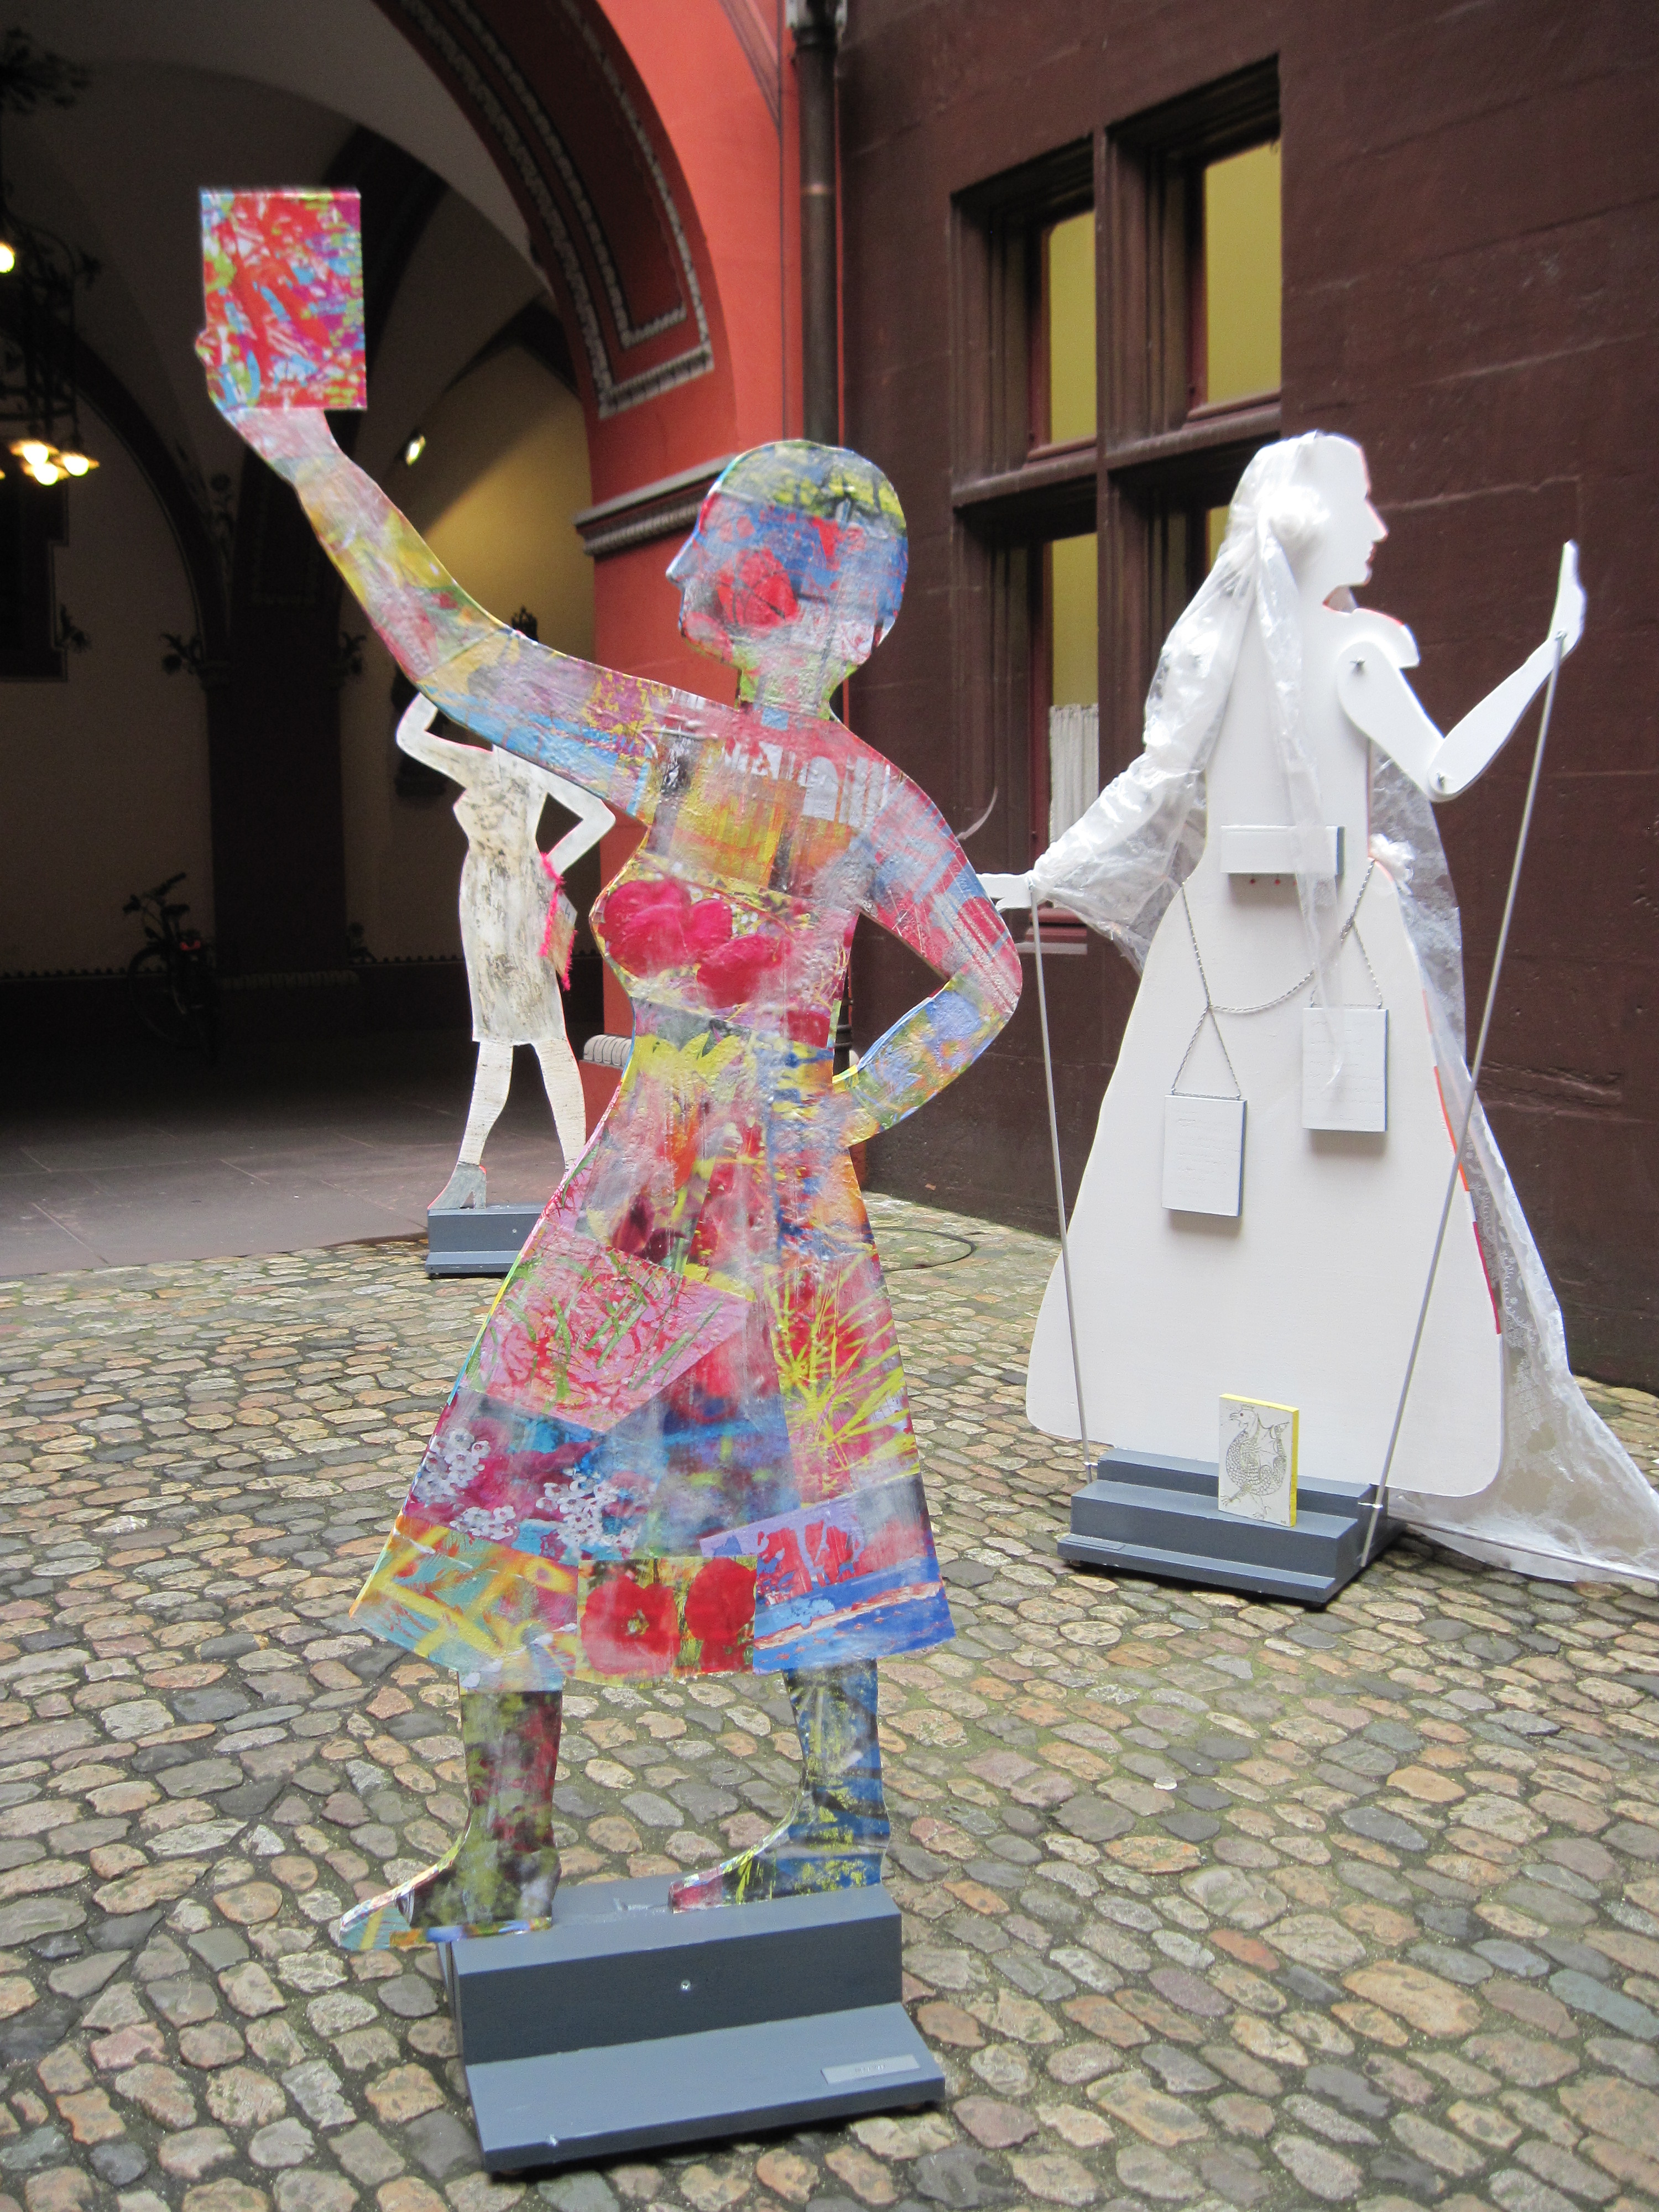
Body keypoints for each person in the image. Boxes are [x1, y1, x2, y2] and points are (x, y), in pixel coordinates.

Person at [204, 325, 1019, 1939]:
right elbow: (985, 977)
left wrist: (312, 457)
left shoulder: (730, 761)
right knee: (753, 1486)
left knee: (582, 1471)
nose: (701, 576)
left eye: (727, 549)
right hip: (725, 1192)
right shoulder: (797, 778)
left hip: (700, 1194)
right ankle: (633, 1835)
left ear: (768, 586)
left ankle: (584, 1843)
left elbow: (458, 652)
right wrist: (833, 1115)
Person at [984, 432, 1659, 1585]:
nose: (1380, 528)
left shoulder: (1261, 652)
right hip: (1291, 948)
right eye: (1365, 504)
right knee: (1229, 1182)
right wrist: (1542, 655)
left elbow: (1159, 785)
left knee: (1325, 1185)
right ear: (1310, 524)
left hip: (1279, 944)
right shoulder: (1340, 651)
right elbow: (1436, 769)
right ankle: (1213, 1413)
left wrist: (1049, 872)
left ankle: (1327, 1423)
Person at [394, 692, 612, 1210]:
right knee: (496, 1038)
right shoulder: (479, 764)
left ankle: (567, 1170)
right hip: (483, 913)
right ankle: (474, 1170)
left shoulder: (535, 769)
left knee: (546, 1037)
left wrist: (546, 866)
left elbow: (598, 817)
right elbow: (409, 738)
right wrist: (432, 686)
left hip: (517, 910)